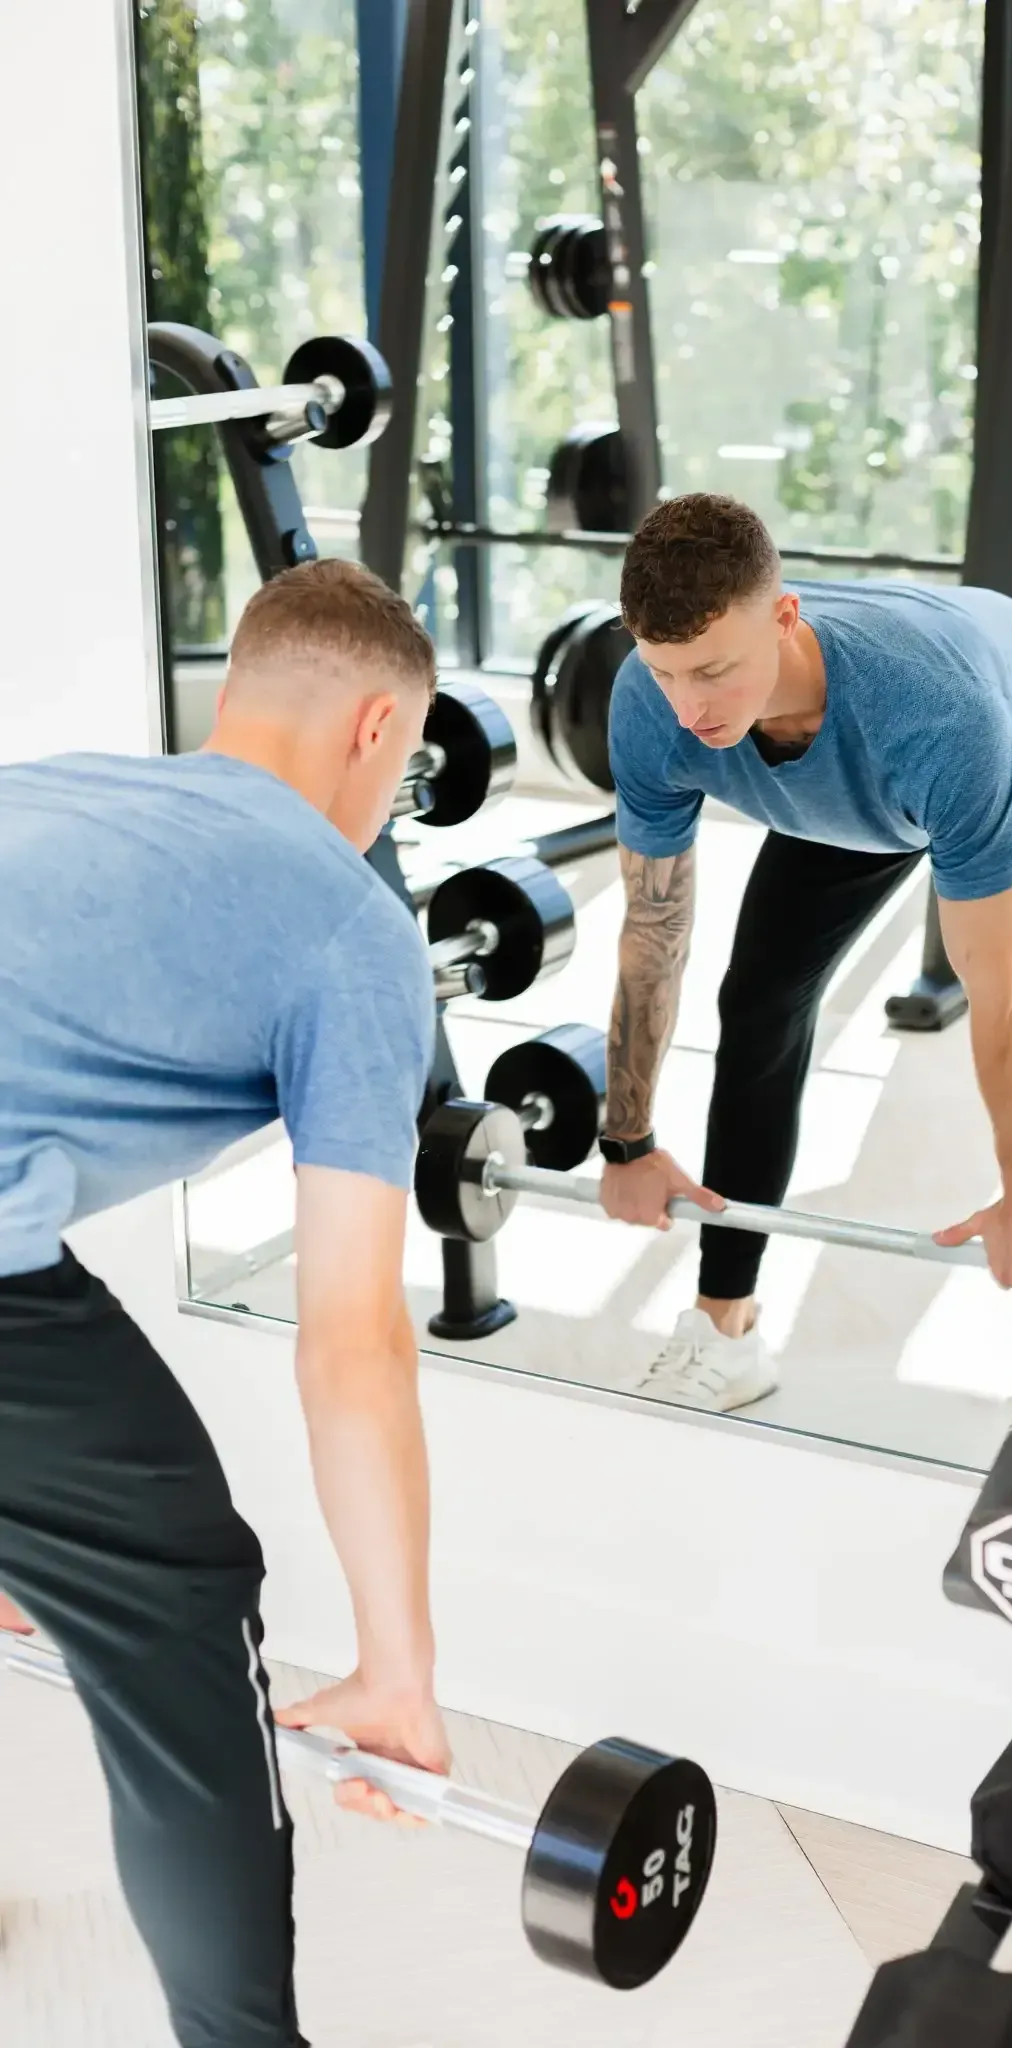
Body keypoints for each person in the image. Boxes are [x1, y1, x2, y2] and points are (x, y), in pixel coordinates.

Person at [0, 558, 448, 2048]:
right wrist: (395, 1667)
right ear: (377, 728)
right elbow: (352, 1343)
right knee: (184, 1611)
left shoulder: (45, 790)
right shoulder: (349, 929)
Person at [599, 493, 1012, 1418]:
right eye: (666, 672)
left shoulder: (940, 721)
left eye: (713, 672)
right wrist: (627, 1138)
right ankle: (726, 1327)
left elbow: (993, 993)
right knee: (758, 999)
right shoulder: (654, 704)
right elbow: (651, 934)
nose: (688, 709)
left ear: (783, 616)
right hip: (852, 766)